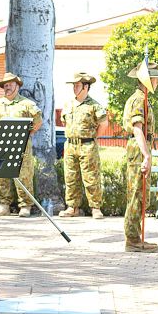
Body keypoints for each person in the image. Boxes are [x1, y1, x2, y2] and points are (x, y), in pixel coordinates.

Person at [122, 62, 158, 253]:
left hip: (140, 148)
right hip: (139, 149)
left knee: (141, 195)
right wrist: (146, 155)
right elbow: (137, 128)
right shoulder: (139, 100)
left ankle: (136, 237)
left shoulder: (142, 98)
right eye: (155, 78)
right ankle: (132, 240)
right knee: (137, 195)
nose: (157, 82)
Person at [0, 72, 42, 217]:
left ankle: (25, 205)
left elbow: (38, 121)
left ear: (17, 86)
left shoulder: (27, 104)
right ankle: (4, 204)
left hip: (22, 147)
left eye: (10, 84)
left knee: (24, 175)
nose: (7, 87)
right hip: (2, 145)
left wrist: (28, 135)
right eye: (5, 85)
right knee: (2, 176)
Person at [59, 72, 108, 219]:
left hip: (87, 145)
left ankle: (95, 208)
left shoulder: (94, 106)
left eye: (77, 85)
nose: (74, 88)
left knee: (91, 177)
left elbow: (104, 124)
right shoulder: (68, 104)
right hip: (70, 145)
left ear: (86, 87)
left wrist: (92, 138)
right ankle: (72, 207)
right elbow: (64, 122)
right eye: (74, 85)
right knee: (70, 177)